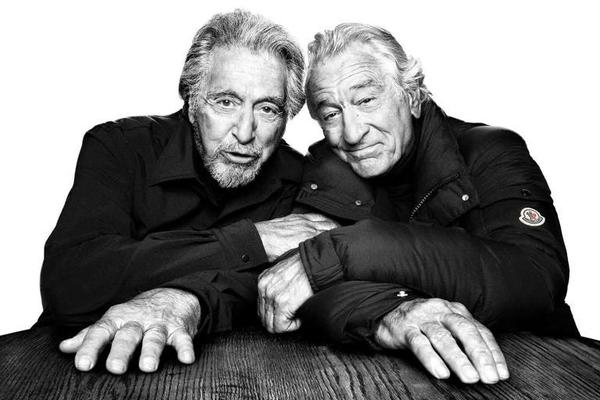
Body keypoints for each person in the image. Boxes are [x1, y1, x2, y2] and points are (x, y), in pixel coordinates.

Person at [257, 23, 578, 384]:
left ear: (411, 95)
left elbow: (536, 279)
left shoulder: (491, 152)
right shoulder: (325, 170)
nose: (352, 133)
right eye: (331, 113)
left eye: (366, 100)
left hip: (542, 367)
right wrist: (390, 313)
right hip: (392, 378)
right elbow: (294, 291)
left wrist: (346, 252)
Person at [40, 10, 338, 375]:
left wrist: (186, 297)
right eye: (226, 102)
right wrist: (251, 241)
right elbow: (70, 284)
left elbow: (270, 289)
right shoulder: (120, 148)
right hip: (77, 364)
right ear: (191, 102)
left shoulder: (297, 178)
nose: (245, 132)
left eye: (267, 109)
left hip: (241, 370)